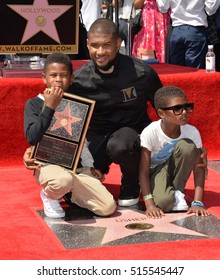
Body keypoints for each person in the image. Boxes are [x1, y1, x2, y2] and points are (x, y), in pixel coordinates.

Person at [23, 18, 163, 207]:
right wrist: (36, 150)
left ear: (118, 43)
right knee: (76, 163)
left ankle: (131, 183)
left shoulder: (143, 73)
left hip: (131, 137)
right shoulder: (78, 80)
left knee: (122, 143)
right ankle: (69, 188)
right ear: (87, 44)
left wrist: (173, 144)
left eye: (106, 45)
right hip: (96, 140)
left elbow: (164, 110)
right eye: (95, 45)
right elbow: (55, 112)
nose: (100, 52)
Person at [24, 52, 116, 219]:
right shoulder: (34, 104)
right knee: (62, 180)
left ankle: (69, 193)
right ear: (44, 78)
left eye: (64, 75)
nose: (58, 79)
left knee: (107, 207)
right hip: (49, 167)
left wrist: (90, 166)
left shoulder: (78, 105)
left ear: (72, 79)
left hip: (77, 170)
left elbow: (83, 142)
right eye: (53, 75)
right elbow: (32, 137)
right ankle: (50, 195)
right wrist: (49, 107)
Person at [139, 86, 210, 218]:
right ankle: (163, 193)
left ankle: (177, 192)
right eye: (177, 109)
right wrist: (149, 204)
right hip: (154, 173)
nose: (184, 112)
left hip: (173, 171)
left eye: (186, 107)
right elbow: (143, 170)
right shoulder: (150, 132)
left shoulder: (192, 132)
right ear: (161, 113)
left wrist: (198, 202)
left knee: (187, 146)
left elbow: (199, 167)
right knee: (164, 203)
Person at [156, 0, 220, 68]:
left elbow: (162, 7)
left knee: (176, 71)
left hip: (177, 30)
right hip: (195, 29)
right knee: (194, 71)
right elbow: (211, 9)